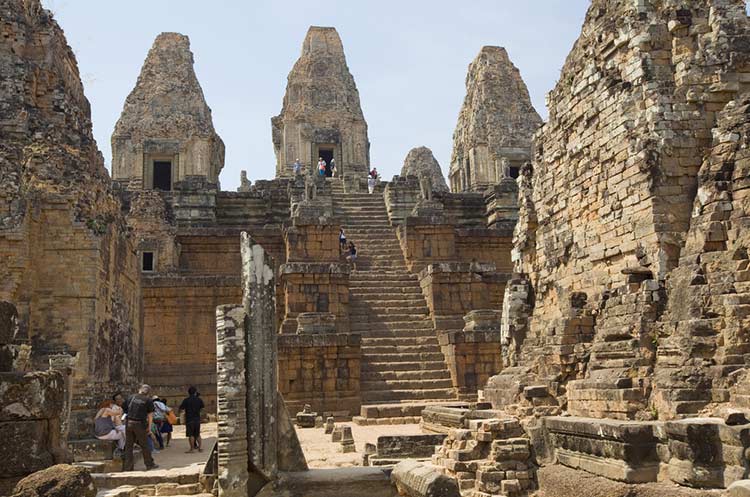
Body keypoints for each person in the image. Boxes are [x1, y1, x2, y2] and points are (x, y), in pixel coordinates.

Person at [122, 384, 158, 471]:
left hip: (129, 423)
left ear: (139, 390)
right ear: (148, 393)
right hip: (140, 424)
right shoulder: (148, 400)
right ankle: (149, 464)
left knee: (129, 445)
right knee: (144, 445)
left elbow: (124, 409)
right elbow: (150, 416)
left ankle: (128, 467)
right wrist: (149, 428)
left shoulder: (131, 397)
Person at [179, 386, 205, 453]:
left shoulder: (186, 400)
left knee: (191, 435)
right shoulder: (199, 399)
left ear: (189, 393)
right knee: (197, 434)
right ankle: (200, 448)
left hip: (189, 419)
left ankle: (192, 449)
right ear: (195, 392)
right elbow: (202, 409)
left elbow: (181, 409)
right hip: (197, 419)